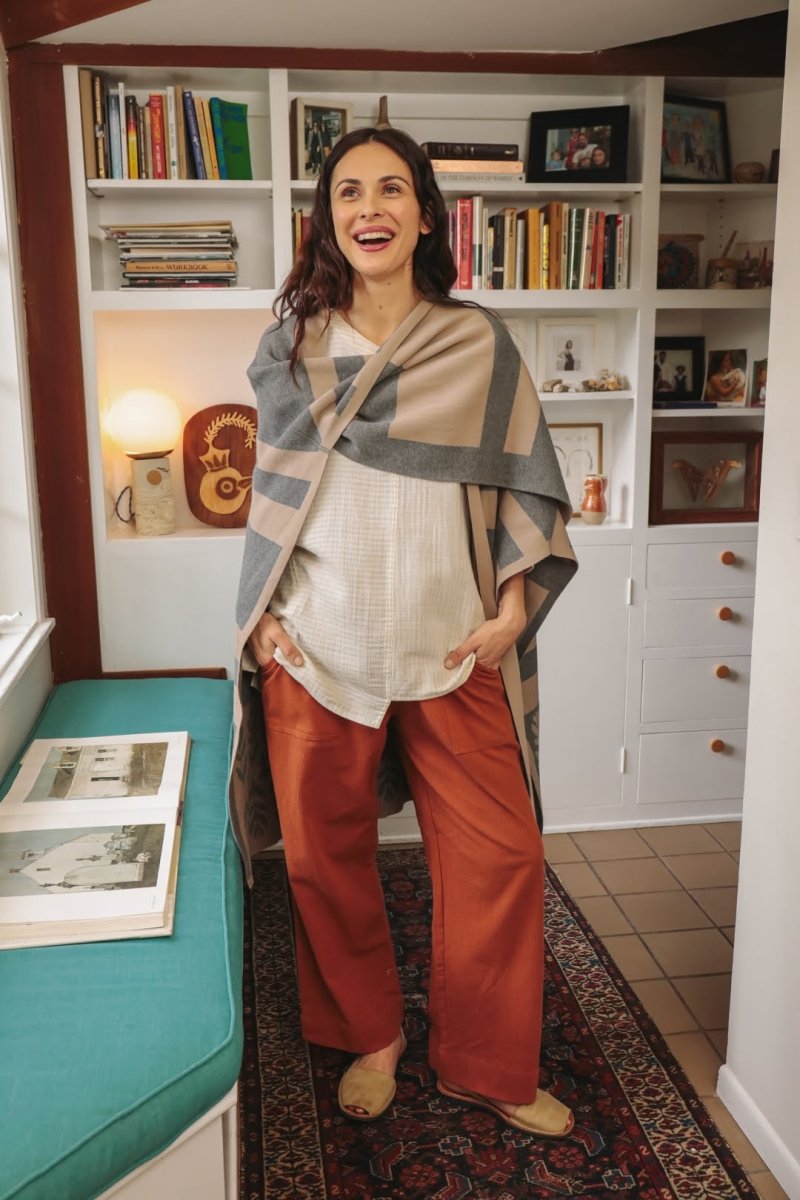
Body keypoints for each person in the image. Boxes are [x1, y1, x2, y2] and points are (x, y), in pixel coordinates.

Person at [229, 126, 577, 1139]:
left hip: (452, 644)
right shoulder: (293, 350)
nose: (369, 208)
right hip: (318, 643)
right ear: (327, 218)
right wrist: (262, 618)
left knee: (502, 859)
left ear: (425, 213)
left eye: (390, 189)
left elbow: (527, 487)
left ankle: (484, 1063)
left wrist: (512, 610)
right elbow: (272, 499)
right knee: (322, 858)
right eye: (348, 192)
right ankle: (370, 1035)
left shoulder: (476, 344)